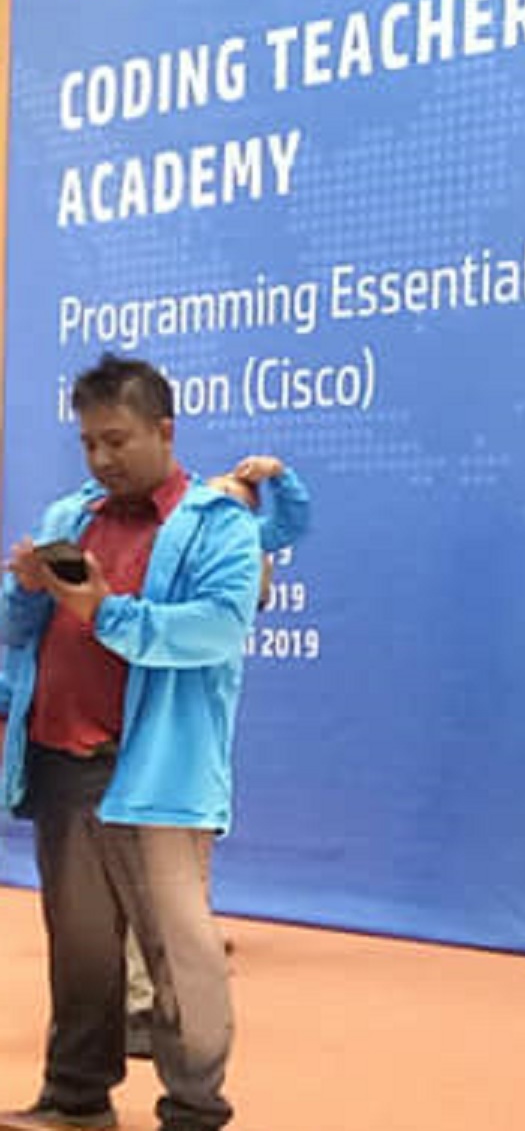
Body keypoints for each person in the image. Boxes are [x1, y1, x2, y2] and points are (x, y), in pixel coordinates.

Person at [0, 355, 263, 1131]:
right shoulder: (68, 516)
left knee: (179, 951)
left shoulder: (219, 525)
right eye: (88, 442)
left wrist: (106, 611)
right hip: (59, 760)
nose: (101, 457)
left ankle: (194, 1109)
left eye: (116, 439)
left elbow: (217, 628)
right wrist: (24, 589)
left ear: (164, 429)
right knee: (80, 947)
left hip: (155, 772)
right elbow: (18, 632)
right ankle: (77, 1096)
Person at [123, 453, 311, 1059]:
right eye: (217, 489)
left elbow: (292, 521)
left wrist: (279, 478)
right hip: (142, 734)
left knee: (179, 870)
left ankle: (170, 1002)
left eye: (235, 497)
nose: (220, 496)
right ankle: (149, 997)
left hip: (192, 738)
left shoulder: (238, 548)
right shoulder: (173, 538)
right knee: (151, 877)